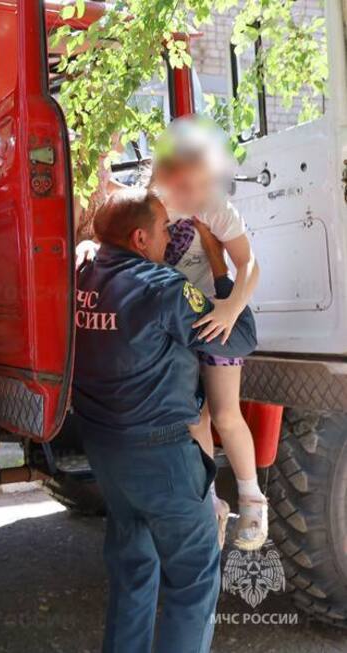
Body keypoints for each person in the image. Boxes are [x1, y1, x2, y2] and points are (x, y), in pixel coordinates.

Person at [73, 188, 258, 653]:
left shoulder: (80, 274)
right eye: (162, 230)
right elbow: (240, 338)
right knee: (193, 579)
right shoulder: (163, 287)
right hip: (163, 457)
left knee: (133, 572)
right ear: (139, 238)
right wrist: (218, 265)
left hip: (106, 452)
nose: (169, 237)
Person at [149, 118, 265, 550]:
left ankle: (252, 498)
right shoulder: (152, 205)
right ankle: (211, 504)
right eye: (187, 183)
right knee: (192, 415)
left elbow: (249, 263)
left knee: (224, 412)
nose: (195, 194)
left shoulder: (215, 205)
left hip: (215, 317)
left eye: (203, 182)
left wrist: (232, 306)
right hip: (174, 323)